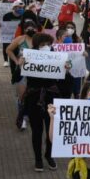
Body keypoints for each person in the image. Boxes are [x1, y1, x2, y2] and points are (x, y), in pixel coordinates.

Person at [15, 33, 74, 171]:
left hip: (51, 98)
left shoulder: (57, 57)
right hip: (34, 98)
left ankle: (49, 155)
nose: (46, 47)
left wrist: (66, 70)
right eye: (42, 45)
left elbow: (66, 83)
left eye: (48, 44)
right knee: (36, 130)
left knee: (51, 129)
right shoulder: (28, 57)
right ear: (36, 46)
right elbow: (16, 78)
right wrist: (19, 65)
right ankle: (38, 159)